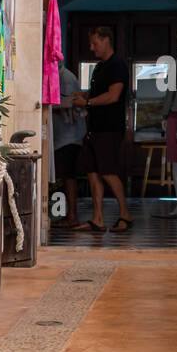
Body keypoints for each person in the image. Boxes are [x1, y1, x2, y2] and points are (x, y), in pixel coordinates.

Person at [73, 26, 133, 233]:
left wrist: (87, 104)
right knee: (92, 171)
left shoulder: (118, 66)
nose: (91, 48)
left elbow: (113, 95)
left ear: (106, 40)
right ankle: (97, 219)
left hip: (110, 128)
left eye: (95, 43)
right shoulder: (99, 68)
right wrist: (82, 96)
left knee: (108, 171)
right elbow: (96, 93)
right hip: (93, 128)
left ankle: (125, 214)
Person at [52, 64, 86, 229]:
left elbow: (71, 102)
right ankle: (66, 214)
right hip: (64, 136)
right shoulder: (59, 76)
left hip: (69, 136)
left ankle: (72, 215)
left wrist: (48, 103)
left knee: (68, 176)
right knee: (65, 175)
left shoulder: (66, 78)